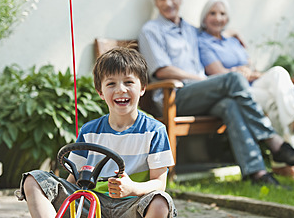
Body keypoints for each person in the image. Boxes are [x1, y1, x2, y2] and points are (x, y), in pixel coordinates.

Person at [138, 0, 294, 187]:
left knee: (230, 105)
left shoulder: (191, 30)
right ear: (156, 2)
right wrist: (201, 78)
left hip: (203, 94)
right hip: (175, 96)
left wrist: (231, 33)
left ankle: (256, 174)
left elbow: (213, 33)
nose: (168, 3)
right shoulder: (151, 30)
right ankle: (273, 141)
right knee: (233, 79)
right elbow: (163, 70)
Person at [15, 46, 177, 218]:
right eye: (111, 83)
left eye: (128, 82)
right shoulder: (89, 131)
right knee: (33, 179)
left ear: (143, 88)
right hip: (90, 202)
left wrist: (133, 188)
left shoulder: (154, 130)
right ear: (100, 92)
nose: (121, 89)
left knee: (161, 201)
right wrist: (64, 197)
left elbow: (159, 183)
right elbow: (73, 179)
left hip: (132, 204)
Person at [197, 0, 294, 180]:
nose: (218, 18)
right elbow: (219, 74)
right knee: (274, 103)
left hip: (253, 83)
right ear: (204, 17)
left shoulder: (232, 41)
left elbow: (252, 68)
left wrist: (248, 70)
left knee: (279, 72)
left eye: (223, 14)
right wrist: (240, 71)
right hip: (236, 91)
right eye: (213, 13)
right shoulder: (203, 42)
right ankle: (284, 163)